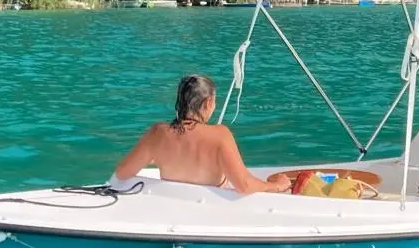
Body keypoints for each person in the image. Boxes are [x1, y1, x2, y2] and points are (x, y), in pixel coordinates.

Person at [108, 75, 290, 194]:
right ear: (209, 102)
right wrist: (276, 185)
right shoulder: (220, 136)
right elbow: (245, 185)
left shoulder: (158, 133)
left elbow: (122, 173)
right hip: (211, 214)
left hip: (171, 210)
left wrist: (154, 155)